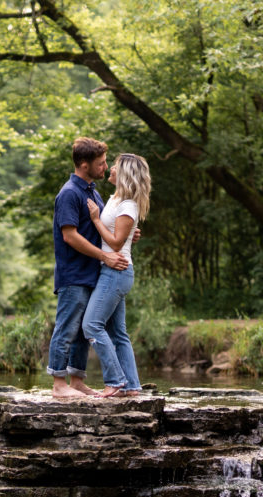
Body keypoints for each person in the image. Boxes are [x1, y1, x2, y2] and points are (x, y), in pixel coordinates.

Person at [47, 137, 129, 399]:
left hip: (91, 273)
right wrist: (105, 258)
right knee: (67, 327)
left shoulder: (92, 191)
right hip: (73, 274)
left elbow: (100, 228)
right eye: (101, 163)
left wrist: (127, 234)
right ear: (84, 165)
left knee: (83, 330)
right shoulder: (69, 193)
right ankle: (59, 383)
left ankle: (77, 380)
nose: (105, 167)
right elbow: (70, 236)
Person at [83, 153, 150, 398]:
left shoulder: (128, 204)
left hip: (116, 271)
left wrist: (95, 220)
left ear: (125, 174)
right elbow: (121, 233)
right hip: (112, 270)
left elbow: (114, 243)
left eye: (115, 166)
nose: (110, 168)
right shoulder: (115, 198)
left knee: (91, 325)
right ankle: (132, 386)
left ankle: (115, 381)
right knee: (118, 333)